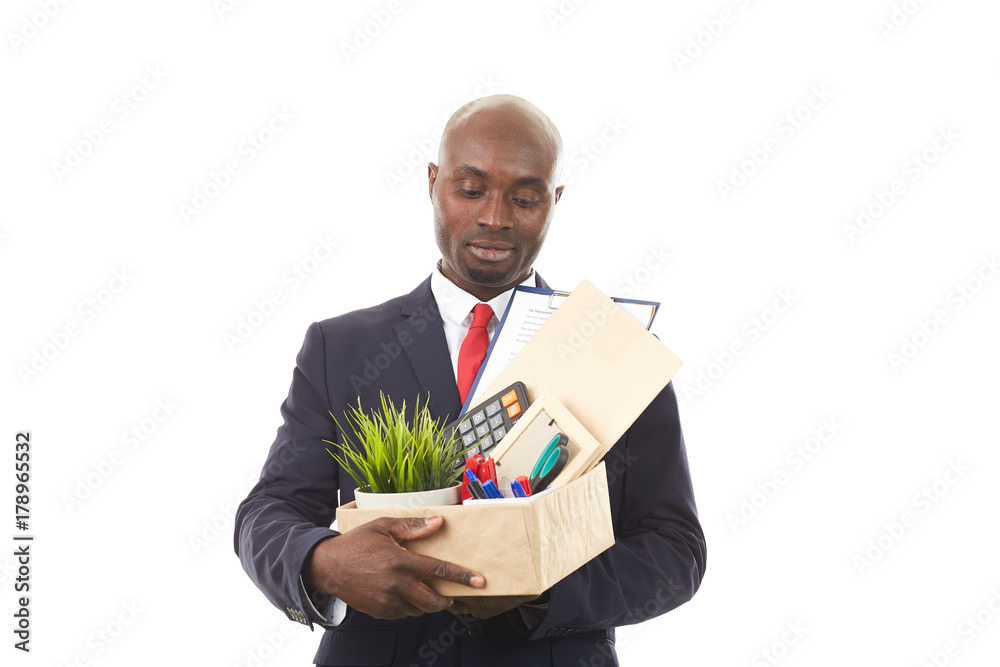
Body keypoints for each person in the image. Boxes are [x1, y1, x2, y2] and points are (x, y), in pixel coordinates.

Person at [234, 94, 706, 667]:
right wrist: (325, 563)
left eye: (526, 198)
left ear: (555, 201)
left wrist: (541, 591)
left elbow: (674, 550)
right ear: (434, 182)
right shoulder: (341, 347)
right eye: (471, 189)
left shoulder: (616, 350)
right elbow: (271, 510)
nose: (495, 218)